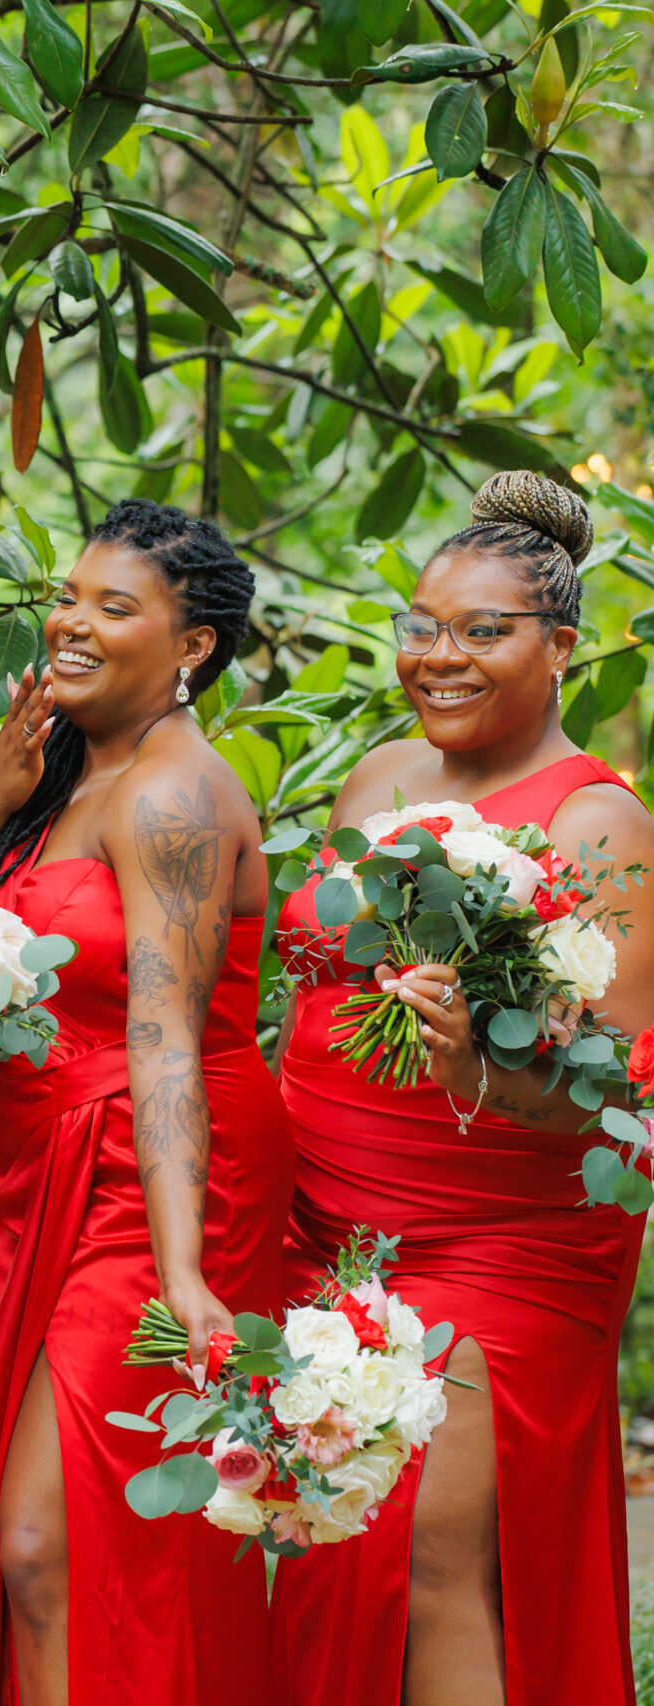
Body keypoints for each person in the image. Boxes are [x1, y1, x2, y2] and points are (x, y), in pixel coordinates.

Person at [268, 474, 654, 1706]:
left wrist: (478, 1065)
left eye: (482, 631)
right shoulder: (379, 778)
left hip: (506, 1239)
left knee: (436, 1554)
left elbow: (621, 1093)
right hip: (328, 1227)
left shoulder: (599, 820)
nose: (439, 656)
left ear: (561, 645)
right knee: (338, 1545)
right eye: (422, 626)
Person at [0, 500, 288, 1706]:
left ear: (189, 645)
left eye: (111, 606)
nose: (68, 624)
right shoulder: (60, 774)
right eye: (69, 597)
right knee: (38, 1541)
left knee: (67, 1540)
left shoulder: (172, 796)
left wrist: (186, 1272)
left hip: (159, 1177)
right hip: (43, 1170)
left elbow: (166, 1037)